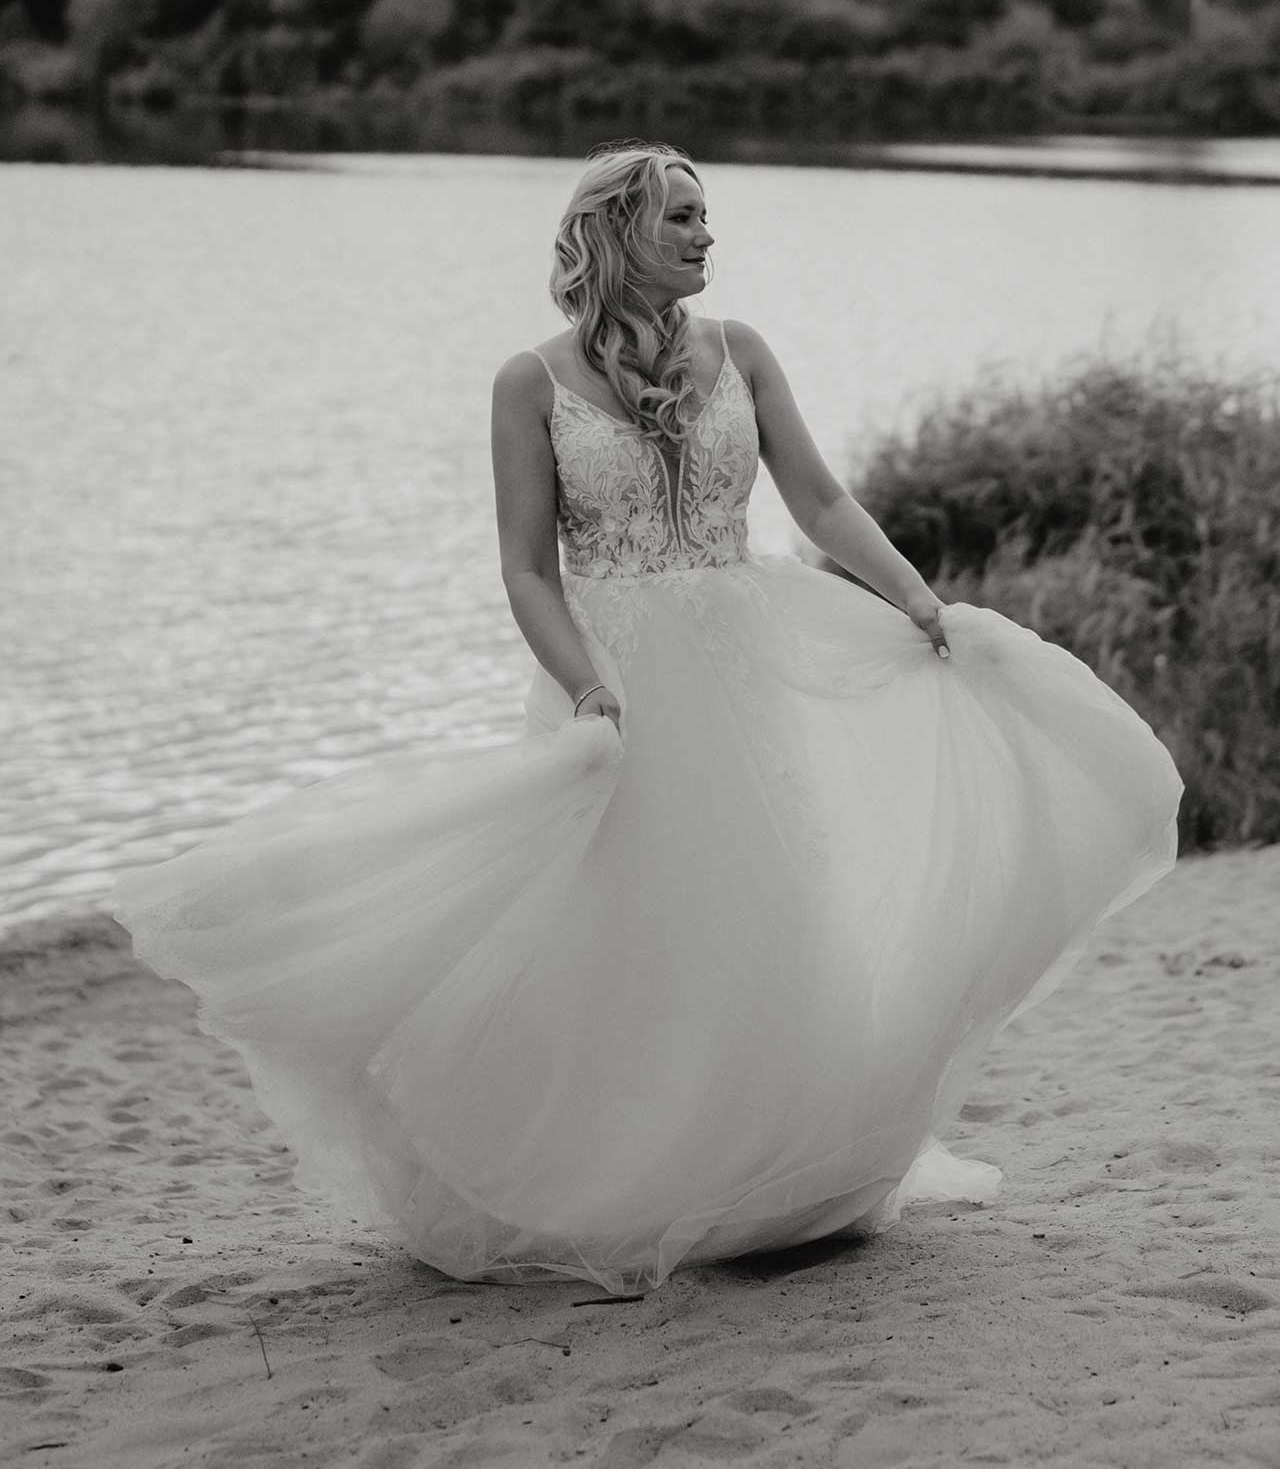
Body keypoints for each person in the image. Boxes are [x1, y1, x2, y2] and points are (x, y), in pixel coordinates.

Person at [109, 139, 1183, 1298]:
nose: (705, 235)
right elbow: (525, 569)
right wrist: (584, 683)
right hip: (616, 679)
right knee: (621, 931)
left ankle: (771, 1165)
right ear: (618, 234)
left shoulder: (744, 354)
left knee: (765, 907)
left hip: (749, 666)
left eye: (705, 215)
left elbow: (816, 497)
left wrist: (920, 603)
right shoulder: (528, 385)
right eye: (680, 217)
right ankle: (621, 1170)